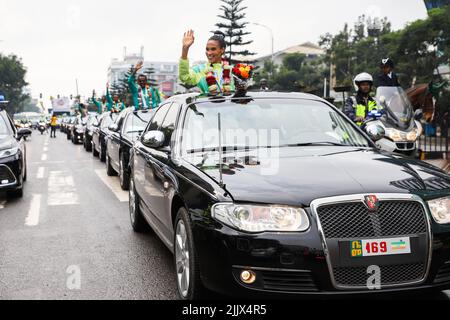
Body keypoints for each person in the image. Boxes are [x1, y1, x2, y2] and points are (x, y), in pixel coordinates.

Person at [179, 30, 235, 95]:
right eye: (207, 49)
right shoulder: (200, 70)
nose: (209, 53)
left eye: (213, 49)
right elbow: (184, 77)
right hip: (207, 105)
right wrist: (185, 49)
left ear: (222, 50)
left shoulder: (232, 70)